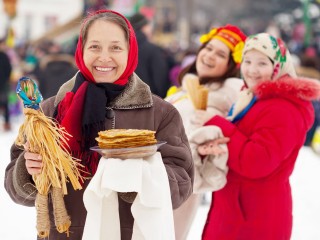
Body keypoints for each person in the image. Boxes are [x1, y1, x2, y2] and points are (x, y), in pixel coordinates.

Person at [4, 9, 194, 240]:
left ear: (130, 51)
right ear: (81, 50)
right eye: (94, 47)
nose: (104, 57)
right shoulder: (48, 112)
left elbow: (182, 185)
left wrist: (140, 175)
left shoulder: (160, 113)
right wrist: (28, 168)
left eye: (115, 47)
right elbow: (16, 189)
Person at [200, 33, 320, 239]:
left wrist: (220, 123)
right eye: (247, 61)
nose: (252, 70)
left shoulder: (282, 107)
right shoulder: (252, 99)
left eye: (262, 63)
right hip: (238, 211)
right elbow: (241, 144)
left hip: (255, 218)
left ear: (278, 67)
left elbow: (256, 161)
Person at [165, 24, 247, 240]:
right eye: (208, 48)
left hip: (178, 183)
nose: (209, 56)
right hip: (156, 175)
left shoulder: (224, 92)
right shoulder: (188, 89)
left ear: (231, 65)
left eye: (220, 54)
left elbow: (208, 137)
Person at [129, 13, 172, 98]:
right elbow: (160, 81)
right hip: (149, 102)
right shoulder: (153, 50)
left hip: (125, 102)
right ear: (144, 27)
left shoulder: (123, 48)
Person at [0, 38, 12, 131]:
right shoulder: (4, 55)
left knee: (5, 103)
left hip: (3, 83)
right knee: (5, 104)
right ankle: (7, 123)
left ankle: (7, 123)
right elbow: (9, 69)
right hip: (3, 83)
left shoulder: (5, 55)